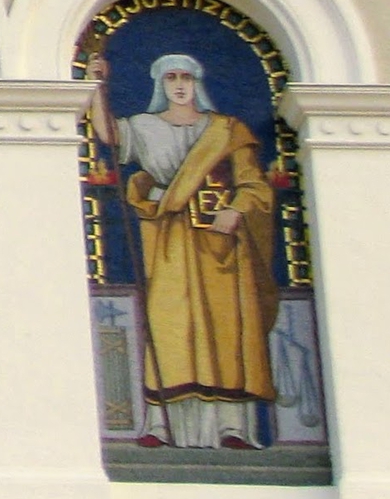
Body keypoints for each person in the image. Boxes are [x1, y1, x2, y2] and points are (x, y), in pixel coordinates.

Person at [86, 49, 278, 448]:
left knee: (225, 330)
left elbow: (254, 185)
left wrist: (236, 209)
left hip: (220, 244)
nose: (178, 84)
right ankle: (161, 423)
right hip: (169, 237)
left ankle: (232, 427)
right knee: (169, 325)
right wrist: (96, 84)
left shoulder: (227, 130)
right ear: (160, 84)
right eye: (170, 77)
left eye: (185, 77)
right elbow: (109, 135)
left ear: (196, 83)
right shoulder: (145, 126)